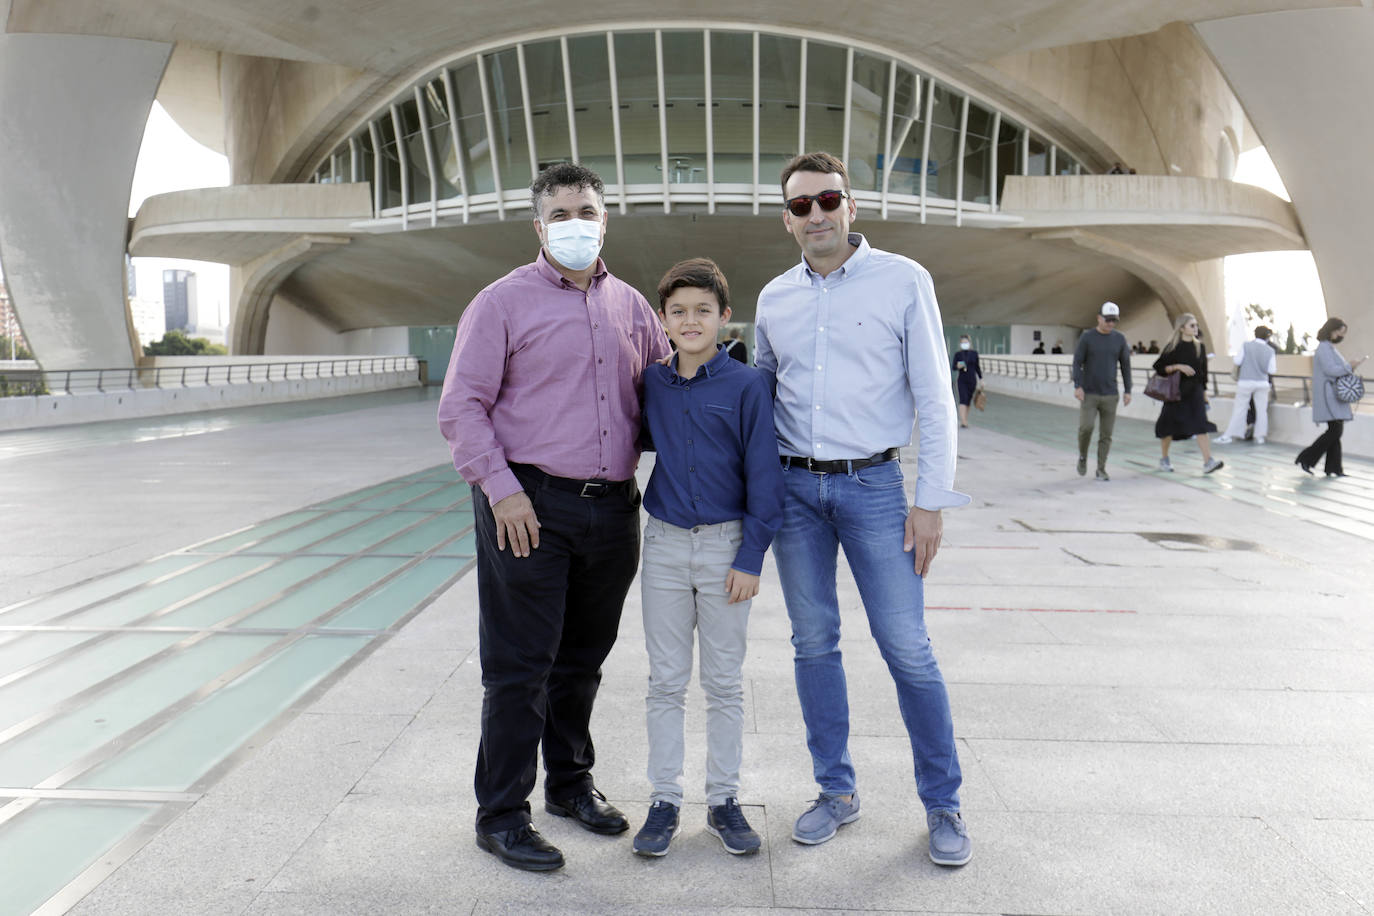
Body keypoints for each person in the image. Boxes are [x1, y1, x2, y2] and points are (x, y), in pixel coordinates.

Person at [438, 163, 671, 872]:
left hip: (612, 509)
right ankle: (502, 813)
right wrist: (501, 490)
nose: (577, 223)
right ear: (540, 227)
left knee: (582, 663)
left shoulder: (632, 306)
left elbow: (664, 401)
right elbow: (462, 407)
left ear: (606, 221)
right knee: (519, 667)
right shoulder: (501, 303)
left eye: (587, 210)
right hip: (527, 506)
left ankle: (570, 786)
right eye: (562, 213)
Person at [754, 152, 973, 868]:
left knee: (907, 648)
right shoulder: (774, 299)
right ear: (786, 220)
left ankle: (943, 804)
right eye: (800, 205)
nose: (815, 213)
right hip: (794, 495)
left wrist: (930, 502)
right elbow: (757, 398)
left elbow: (936, 396)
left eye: (828, 199)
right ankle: (836, 792)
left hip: (876, 489)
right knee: (813, 643)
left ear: (852, 205)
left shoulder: (904, 280)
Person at [632, 258, 784, 858]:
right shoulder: (651, 382)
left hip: (726, 550)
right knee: (665, 681)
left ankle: (723, 801)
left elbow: (764, 478)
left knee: (723, 684)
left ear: (725, 317)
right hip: (665, 545)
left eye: (703, 310)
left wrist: (751, 556)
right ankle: (664, 800)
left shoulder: (747, 386)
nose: (690, 320)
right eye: (677, 312)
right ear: (663, 320)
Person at [1152, 313, 1224, 475]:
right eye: (1192, 325)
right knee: (1168, 426)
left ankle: (1208, 461)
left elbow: (1203, 375)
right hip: (1176, 393)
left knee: (1200, 424)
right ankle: (1164, 459)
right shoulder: (1172, 347)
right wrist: (1178, 366)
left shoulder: (1200, 347)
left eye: (1196, 325)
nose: (1195, 328)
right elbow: (1158, 367)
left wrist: (1205, 395)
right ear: (1182, 328)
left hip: (1195, 392)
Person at [1295, 317, 1367, 477]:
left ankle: (1333, 468)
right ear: (1331, 331)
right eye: (1339, 332)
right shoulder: (1324, 349)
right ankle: (1306, 458)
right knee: (1335, 431)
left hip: (1331, 396)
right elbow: (1331, 370)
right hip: (1329, 397)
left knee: (1335, 431)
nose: (1340, 336)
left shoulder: (1328, 348)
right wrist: (1350, 366)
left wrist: (1349, 367)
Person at [1071, 302, 1132, 481]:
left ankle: (1101, 468)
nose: (1111, 324)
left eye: (1114, 320)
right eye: (1107, 320)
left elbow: (1125, 366)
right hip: (1089, 393)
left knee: (1106, 434)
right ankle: (1083, 455)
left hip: (1110, 394)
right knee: (1086, 428)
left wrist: (1128, 390)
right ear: (1099, 318)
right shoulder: (1087, 337)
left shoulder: (1119, 339)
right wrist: (1078, 385)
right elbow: (1077, 362)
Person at [1216, 325, 1278, 444]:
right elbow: (1272, 370)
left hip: (1245, 381)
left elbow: (1237, 361)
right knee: (1261, 411)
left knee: (1240, 409)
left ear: (1255, 334)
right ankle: (1260, 436)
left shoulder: (1246, 346)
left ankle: (1230, 435)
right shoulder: (1270, 350)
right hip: (1262, 382)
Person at [951, 335, 982, 428]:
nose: (965, 344)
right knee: (963, 399)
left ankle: (965, 418)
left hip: (972, 380)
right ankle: (963, 421)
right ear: (960, 344)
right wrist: (958, 366)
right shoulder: (958, 355)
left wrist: (981, 379)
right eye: (963, 342)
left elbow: (977, 367)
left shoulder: (974, 354)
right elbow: (953, 367)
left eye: (966, 342)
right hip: (962, 379)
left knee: (968, 400)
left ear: (969, 343)